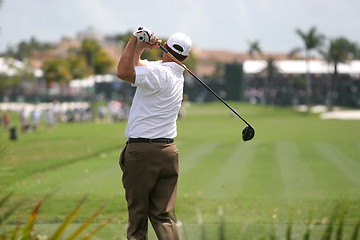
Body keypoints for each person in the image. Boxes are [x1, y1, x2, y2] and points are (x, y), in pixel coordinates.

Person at [117, 27, 192, 240]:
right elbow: (138, 66)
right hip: (168, 152)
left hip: (143, 152)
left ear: (164, 48)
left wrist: (134, 40)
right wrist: (140, 47)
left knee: (137, 218)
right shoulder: (174, 74)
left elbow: (123, 72)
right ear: (185, 57)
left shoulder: (160, 73)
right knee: (163, 216)